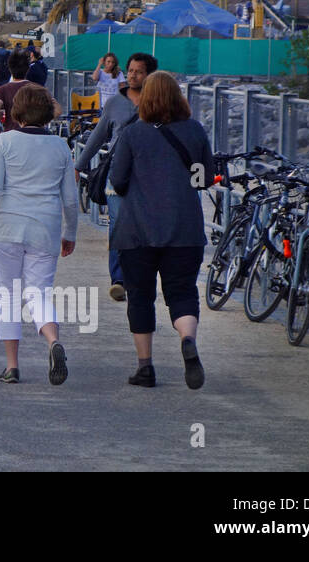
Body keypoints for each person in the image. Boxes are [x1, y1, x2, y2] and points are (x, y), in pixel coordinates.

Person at [108, 71, 214, 390]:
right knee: (181, 291)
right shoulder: (195, 131)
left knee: (140, 296)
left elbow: (118, 180)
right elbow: (204, 179)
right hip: (185, 228)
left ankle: (145, 368)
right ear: (177, 96)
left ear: (146, 98)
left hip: (137, 230)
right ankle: (187, 339)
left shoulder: (132, 134)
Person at [0, 85, 78, 384]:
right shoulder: (60, 147)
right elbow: (70, 199)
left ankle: (12, 366)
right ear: (47, 111)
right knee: (38, 293)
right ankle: (52, 340)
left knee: (9, 294)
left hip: (9, 227)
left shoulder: (4, 142)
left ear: (16, 111)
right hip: (45, 229)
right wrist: (70, 232)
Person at [75, 52, 157, 302]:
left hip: (149, 176)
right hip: (117, 174)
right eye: (130, 70)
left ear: (150, 75)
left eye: (139, 71)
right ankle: (119, 279)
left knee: (145, 227)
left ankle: (140, 276)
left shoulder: (159, 102)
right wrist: (78, 165)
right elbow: (98, 137)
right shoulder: (114, 104)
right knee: (119, 223)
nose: (133, 75)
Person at [0, 51, 59, 134]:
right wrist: (42, 121)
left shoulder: (2, 89)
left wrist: (4, 116)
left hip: (12, 134)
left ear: (9, 69)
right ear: (28, 68)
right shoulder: (38, 88)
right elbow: (57, 111)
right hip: (35, 136)